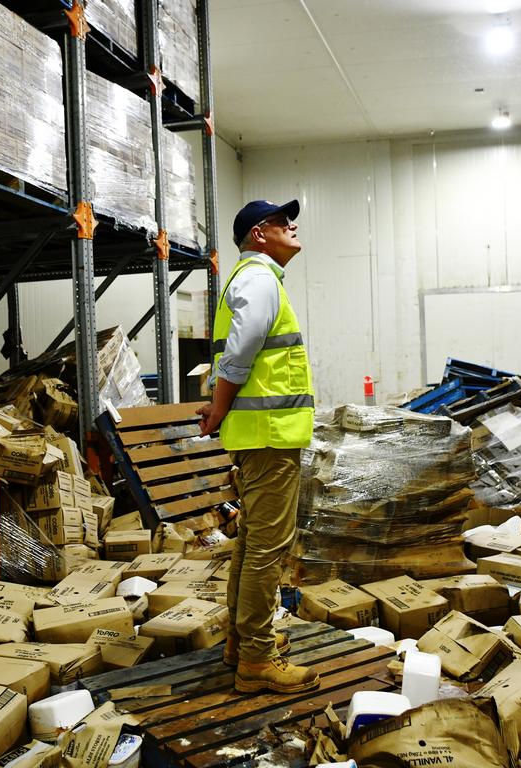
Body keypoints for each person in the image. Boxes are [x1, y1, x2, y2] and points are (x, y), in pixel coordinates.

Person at [196, 198, 318, 694]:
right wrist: (220, 407)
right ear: (258, 235)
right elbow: (242, 352)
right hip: (269, 438)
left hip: (263, 437)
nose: (291, 225)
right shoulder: (261, 280)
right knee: (268, 547)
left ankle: (240, 643)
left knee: (252, 543)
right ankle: (256, 659)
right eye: (279, 221)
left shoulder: (255, 280)